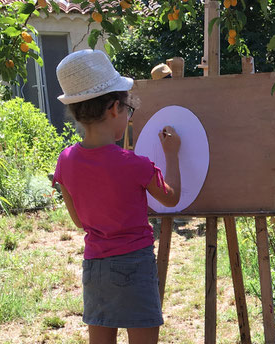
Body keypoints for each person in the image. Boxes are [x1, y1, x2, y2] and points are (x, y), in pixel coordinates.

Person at [52, 49, 182, 344]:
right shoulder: (135, 164)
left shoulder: (66, 160)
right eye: (128, 110)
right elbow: (171, 198)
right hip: (135, 264)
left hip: (95, 266)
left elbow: (76, 220)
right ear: (114, 108)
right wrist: (172, 156)